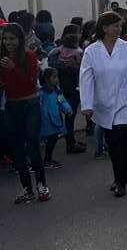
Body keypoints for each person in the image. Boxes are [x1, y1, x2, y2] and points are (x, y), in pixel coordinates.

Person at [79, 11, 127, 197]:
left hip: (126, 101)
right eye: (115, 26)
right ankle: (118, 177)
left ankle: (122, 181)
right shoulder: (91, 51)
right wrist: (86, 104)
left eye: (120, 26)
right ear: (105, 28)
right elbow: (86, 78)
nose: (119, 29)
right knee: (112, 142)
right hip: (103, 103)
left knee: (121, 140)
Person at [1, 23, 51, 203]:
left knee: (32, 146)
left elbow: (31, 82)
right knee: (17, 149)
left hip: (30, 104)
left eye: (12, 39)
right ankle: (27, 188)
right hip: (11, 106)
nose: (8, 42)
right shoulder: (2, 58)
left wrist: (13, 68)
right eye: (5, 39)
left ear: (20, 39)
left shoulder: (29, 55)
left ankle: (42, 185)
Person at [47, 24, 87, 154]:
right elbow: (82, 69)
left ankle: (70, 140)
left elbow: (50, 62)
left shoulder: (57, 53)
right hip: (73, 88)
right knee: (70, 115)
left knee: (65, 115)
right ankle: (70, 143)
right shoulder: (78, 53)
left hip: (59, 89)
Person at [39, 68, 73, 169]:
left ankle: (48, 159)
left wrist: (68, 109)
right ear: (47, 78)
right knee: (50, 139)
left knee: (53, 139)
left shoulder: (57, 91)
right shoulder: (41, 93)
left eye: (57, 77)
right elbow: (39, 106)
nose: (57, 79)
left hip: (55, 119)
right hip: (45, 121)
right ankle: (46, 160)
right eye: (54, 77)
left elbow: (62, 101)